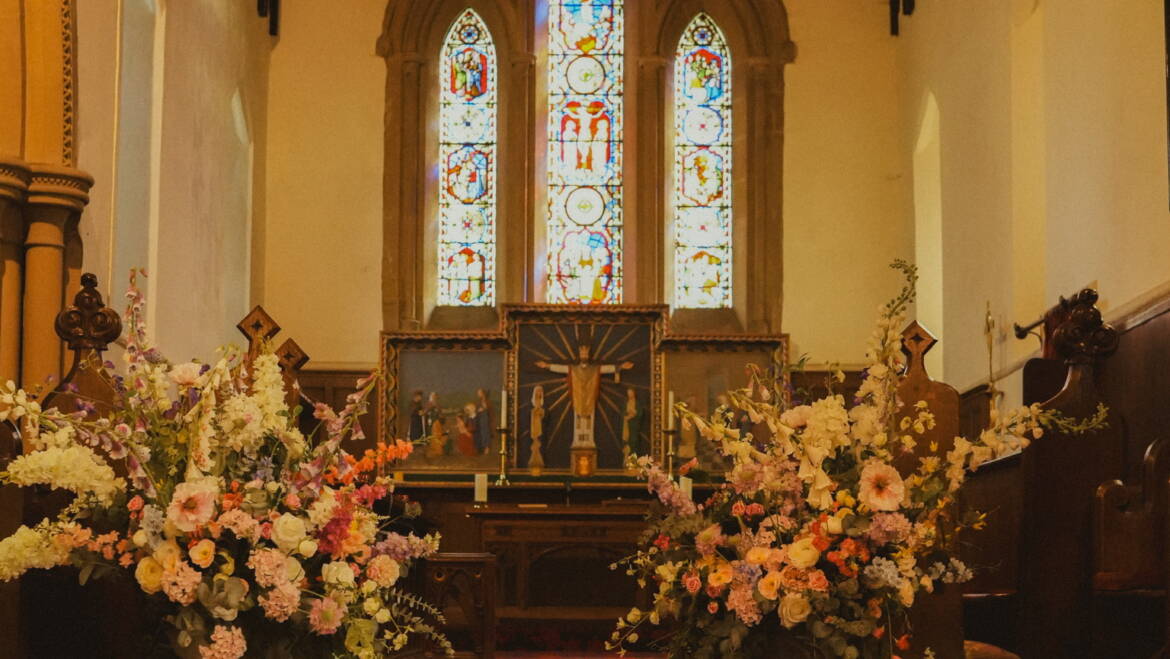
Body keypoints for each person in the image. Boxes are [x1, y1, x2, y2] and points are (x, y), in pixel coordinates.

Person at [535, 341, 633, 450]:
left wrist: (620, 367)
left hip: (589, 397)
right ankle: (577, 442)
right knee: (578, 420)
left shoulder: (594, 369)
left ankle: (589, 442)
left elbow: (607, 368)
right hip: (578, 397)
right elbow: (561, 368)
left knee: (589, 420)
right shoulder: (574, 369)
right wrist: (547, 366)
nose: (584, 356)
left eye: (586, 354)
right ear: (579, 355)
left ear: (588, 355)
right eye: (582, 354)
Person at [621, 387, 645, 461]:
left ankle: (634, 461)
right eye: (628, 393)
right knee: (627, 442)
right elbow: (623, 413)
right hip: (627, 426)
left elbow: (640, 413)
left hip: (634, 427)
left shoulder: (637, 404)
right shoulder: (626, 403)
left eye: (631, 393)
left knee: (634, 442)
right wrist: (627, 416)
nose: (630, 394)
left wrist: (634, 414)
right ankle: (627, 460)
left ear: (634, 393)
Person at [528, 385, 546, 474]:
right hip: (533, 428)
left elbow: (544, 416)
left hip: (540, 428)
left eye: (540, 391)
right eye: (537, 391)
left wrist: (541, 412)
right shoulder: (531, 405)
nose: (539, 393)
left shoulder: (543, 404)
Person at [475, 388, 494, 455]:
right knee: (481, 433)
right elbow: (476, 410)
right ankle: (482, 448)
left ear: (483, 394)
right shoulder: (479, 402)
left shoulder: (487, 401)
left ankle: (487, 448)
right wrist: (478, 411)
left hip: (485, 419)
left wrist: (483, 409)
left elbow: (489, 410)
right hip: (480, 419)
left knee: (486, 433)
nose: (478, 394)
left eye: (479, 393)